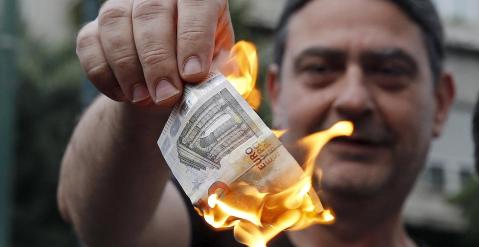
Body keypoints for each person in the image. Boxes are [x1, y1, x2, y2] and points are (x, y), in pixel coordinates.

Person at [57, 0, 455, 246]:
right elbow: (99, 221)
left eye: (388, 71)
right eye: (320, 68)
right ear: (276, 92)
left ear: (440, 103)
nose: (353, 99)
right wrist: (144, 99)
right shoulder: (210, 228)